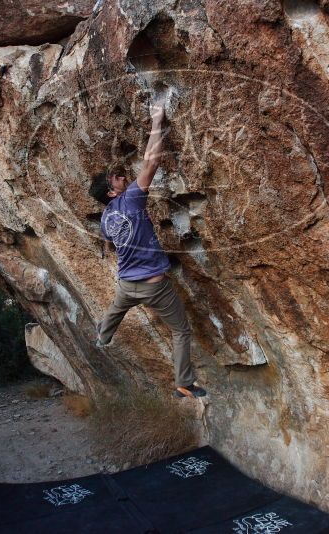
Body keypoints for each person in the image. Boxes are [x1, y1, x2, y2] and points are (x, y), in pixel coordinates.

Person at [89, 100, 207, 399]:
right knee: (180, 331)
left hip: (127, 284)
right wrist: (157, 122)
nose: (121, 175)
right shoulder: (130, 199)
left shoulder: (106, 217)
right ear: (113, 190)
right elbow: (151, 162)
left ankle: (102, 336)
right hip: (153, 286)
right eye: (116, 177)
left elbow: (111, 245)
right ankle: (184, 382)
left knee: (116, 310)